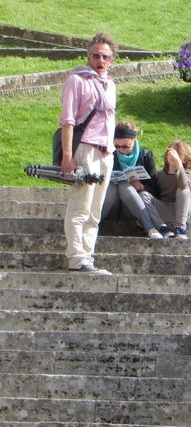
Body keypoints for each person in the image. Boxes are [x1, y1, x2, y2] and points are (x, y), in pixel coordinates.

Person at [60, 31, 118, 274]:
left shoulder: (111, 84)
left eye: (105, 57)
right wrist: (67, 155)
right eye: (96, 56)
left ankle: (88, 256)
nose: (100, 61)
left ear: (111, 60)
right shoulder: (77, 79)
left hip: (106, 152)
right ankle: (76, 257)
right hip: (85, 149)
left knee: (95, 211)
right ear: (88, 56)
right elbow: (68, 120)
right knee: (80, 207)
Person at [101, 120, 164, 239]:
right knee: (114, 186)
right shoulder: (109, 155)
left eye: (125, 146)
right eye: (117, 146)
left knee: (126, 186)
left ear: (134, 140)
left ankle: (150, 227)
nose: (121, 149)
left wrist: (141, 187)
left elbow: (156, 190)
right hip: (110, 205)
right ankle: (93, 225)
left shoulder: (145, 155)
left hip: (133, 207)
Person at [142, 140, 191, 240]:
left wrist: (178, 165)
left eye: (177, 153)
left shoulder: (188, 174)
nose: (172, 155)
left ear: (185, 159)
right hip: (164, 209)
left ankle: (180, 229)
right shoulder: (160, 175)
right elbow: (154, 194)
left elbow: (184, 185)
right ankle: (162, 227)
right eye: (170, 151)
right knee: (143, 195)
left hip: (183, 210)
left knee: (183, 190)